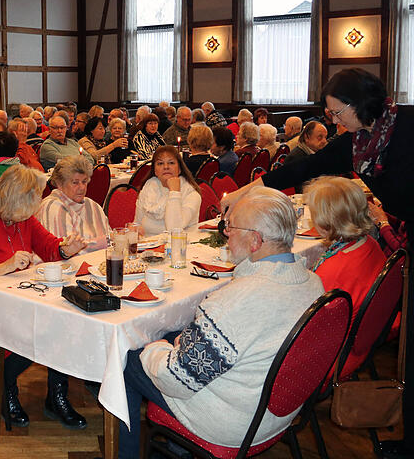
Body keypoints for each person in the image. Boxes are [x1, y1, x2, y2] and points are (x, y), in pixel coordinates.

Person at [222, 68, 414, 458]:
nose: (334, 121)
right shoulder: (358, 141)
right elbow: (300, 169)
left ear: (359, 104)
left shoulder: (407, 127)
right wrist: (242, 192)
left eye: (336, 112)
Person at [119, 187, 324, 458]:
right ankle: (175, 449)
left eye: (231, 227)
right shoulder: (313, 282)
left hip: (233, 423)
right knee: (173, 338)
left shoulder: (236, 300)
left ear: (255, 241)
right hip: (278, 411)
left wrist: (154, 349)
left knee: (127, 357)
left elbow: (173, 381)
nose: (225, 234)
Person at [0, 165, 88, 429]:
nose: (36, 206)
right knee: (43, 332)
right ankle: (5, 388)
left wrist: (65, 248)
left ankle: (56, 395)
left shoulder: (21, 217)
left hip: (18, 297)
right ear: (15, 199)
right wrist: (5, 266)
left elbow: (48, 246)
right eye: (33, 200)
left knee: (63, 322)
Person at [303, 176, 387, 327]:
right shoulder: (370, 243)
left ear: (323, 222)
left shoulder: (332, 270)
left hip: (341, 339)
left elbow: (311, 321)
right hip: (374, 325)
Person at [37, 156, 110, 252]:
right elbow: (66, 251)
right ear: (60, 184)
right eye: (75, 183)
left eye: (84, 181)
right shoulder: (52, 206)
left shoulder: (92, 205)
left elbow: (112, 240)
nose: (82, 187)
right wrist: (103, 242)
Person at [135, 145, 201, 235]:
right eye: (160, 163)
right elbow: (137, 223)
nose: (166, 167)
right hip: (149, 246)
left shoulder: (191, 194)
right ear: (155, 170)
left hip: (182, 245)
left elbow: (174, 229)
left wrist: (174, 192)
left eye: (171, 163)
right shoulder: (148, 189)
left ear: (179, 169)